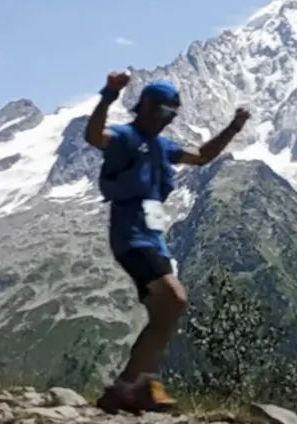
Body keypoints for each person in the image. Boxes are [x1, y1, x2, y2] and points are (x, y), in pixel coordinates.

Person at [84, 70, 250, 414]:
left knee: (165, 312)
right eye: (161, 111)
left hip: (154, 237)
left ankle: (136, 385)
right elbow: (93, 135)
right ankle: (133, 384)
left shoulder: (164, 147)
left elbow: (202, 156)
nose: (166, 119)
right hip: (131, 237)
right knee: (175, 298)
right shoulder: (125, 137)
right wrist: (109, 94)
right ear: (144, 106)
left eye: (172, 115)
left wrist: (233, 129)